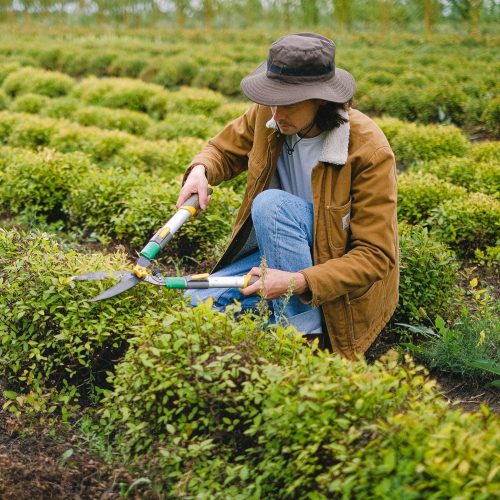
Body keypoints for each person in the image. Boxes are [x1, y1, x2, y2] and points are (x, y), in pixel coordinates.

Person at [176, 32, 399, 360]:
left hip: (331, 273)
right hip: (279, 251)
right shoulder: (269, 116)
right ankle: (280, 317)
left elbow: (375, 256)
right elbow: (223, 149)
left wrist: (297, 280)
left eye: (288, 103)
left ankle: (303, 338)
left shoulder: (368, 150)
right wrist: (201, 171)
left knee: (271, 205)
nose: (274, 114)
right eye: (272, 100)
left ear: (322, 99)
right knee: (194, 304)